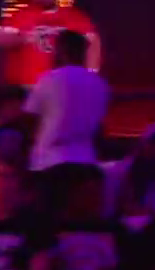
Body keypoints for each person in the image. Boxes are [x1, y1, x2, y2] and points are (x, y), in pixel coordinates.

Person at [23, 29, 108, 211]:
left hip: (49, 164)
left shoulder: (49, 80)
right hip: (87, 164)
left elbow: (30, 120)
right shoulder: (99, 84)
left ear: (62, 52)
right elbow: (99, 127)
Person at [0, 0, 100, 89]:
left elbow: (93, 41)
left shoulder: (73, 17)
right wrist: (24, 38)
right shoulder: (20, 16)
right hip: (30, 85)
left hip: (65, 85)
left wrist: (91, 75)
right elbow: (0, 40)